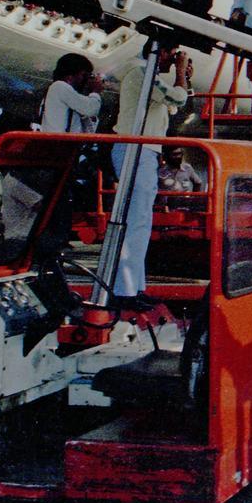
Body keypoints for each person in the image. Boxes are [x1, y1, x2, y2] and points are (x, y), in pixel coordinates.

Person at [111, 41, 190, 305]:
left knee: (141, 222)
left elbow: (173, 107)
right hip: (137, 150)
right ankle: (125, 291)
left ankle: (134, 286)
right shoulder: (141, 72)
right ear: (161, 51)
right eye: (172, 53)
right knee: (136, 222)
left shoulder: (147, 77)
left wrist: (182, 78)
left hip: (144, 151)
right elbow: (177, 98)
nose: (174, 59)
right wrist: (180, 74)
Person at [40, 53, 102, 133]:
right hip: (58, 142)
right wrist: (95, 91)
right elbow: (91, 109)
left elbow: (88, 128)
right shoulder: (60, 86)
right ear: (70, 75)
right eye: (84, 75)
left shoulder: (58, 90)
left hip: (61, 142)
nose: (86, 80)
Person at [157, 144, 204, 210]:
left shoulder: (187, 168)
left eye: (180, 154)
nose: (178, 157)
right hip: (164, 206)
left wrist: (194, 199)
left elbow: (198, 183)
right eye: (174, 155)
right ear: (168, 156)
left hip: (183, 205)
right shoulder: (160, 170)